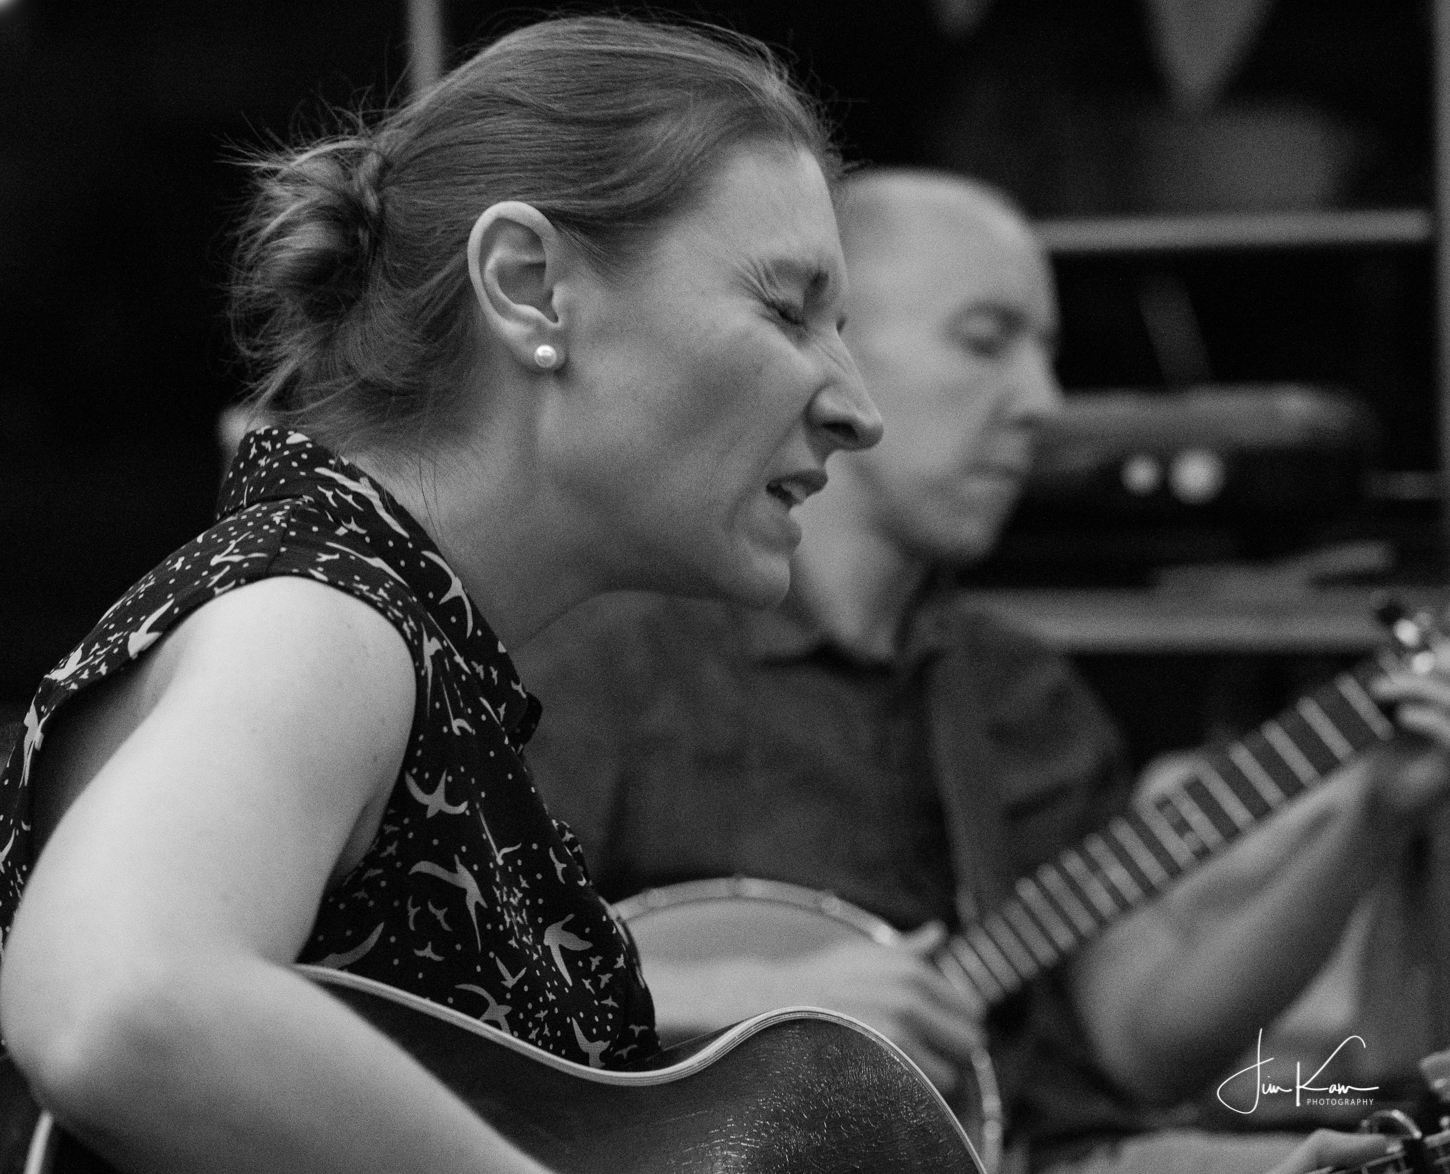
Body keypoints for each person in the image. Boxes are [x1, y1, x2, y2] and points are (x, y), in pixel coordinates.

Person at [0, 17, 885, 1173]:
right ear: (529, 288)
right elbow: (123, 1000)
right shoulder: (318, 624)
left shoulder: (390, 636)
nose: (858, 406)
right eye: (784, 309)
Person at [515, 168, 1450, 1174]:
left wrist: (1366, 817)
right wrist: (749, 992)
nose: (1041, 403)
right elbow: (450, 983)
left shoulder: (1018, 693)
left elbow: (1138, 1047)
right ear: (829, 346)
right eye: (983, 340)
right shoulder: (608, 659)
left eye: (1044, 354)